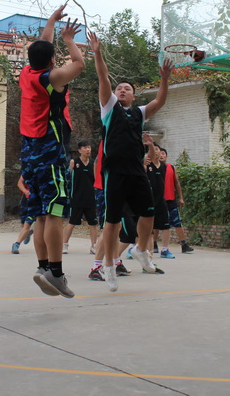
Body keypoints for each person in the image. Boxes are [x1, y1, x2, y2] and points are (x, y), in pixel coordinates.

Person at [87, 31, 174, 292]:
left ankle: (140, 250)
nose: (122, 90)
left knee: (148, 214)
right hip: (114, 172)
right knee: (112, 222)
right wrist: (98, 53)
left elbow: (160, 101)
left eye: (128, 89)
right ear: (114, 94)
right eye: (119, 88)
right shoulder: (109, 108)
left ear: (134, 96)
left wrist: (165, 79)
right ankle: (108, 267)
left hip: (136, 171)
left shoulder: (139, 113)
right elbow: (103, 77)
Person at [19, 5, 84, 298]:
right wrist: (69, 39)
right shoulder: (51, 79)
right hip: (50, 150)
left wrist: (51, 22)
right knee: (55, 212)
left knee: (41, 215)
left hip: (30, 153)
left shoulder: (26, 73)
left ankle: (43, 267)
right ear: (51, 61)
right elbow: (79, 64)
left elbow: (43, 46)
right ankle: (56, 274)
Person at [63, 140, 98, 254]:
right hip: (77, 198)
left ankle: (93, 246)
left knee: (93, 224)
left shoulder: (93, 163)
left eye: (89, 147)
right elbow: (67, 179)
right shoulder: (74, 162)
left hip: (90, 198)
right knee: (72, 222)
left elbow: (96, 180)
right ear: (79, 150)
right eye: (85, 147)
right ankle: (64, 244)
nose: (88, 150)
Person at [159, 146, 194, 255]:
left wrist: (181, 197)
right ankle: (154, 244)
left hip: (171, 200)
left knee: (177, 222)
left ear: (166, 156)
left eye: (163, 154)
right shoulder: (153, 168)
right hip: (159, 201)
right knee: (156, 224)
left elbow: (177, 183)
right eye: (160, 153)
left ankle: (184, 244)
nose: (161, 155)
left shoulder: (171, 168)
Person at [11, 174, 35, 254]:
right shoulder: (28, 170)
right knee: (23, 223)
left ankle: (16, 244)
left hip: (36, 203)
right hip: (26, 201)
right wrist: (25, 191)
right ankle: (27, 234)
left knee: (27, 225)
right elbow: (19, 183)